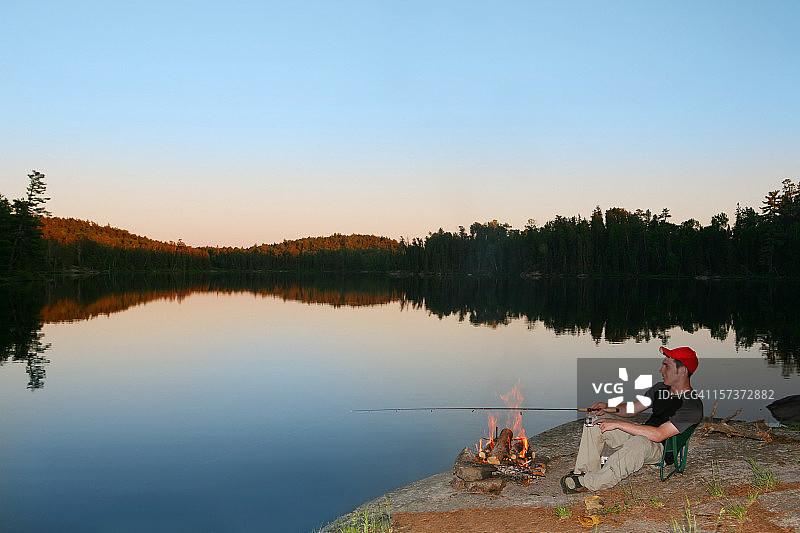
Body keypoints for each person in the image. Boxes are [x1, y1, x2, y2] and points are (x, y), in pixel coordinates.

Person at [561, 346, 704, 493]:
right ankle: (584, 471)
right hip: (643, 435)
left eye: (666, 366)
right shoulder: (659, 389)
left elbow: (659, 435)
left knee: (640, 442)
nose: (661, 370)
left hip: (661, 449)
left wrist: (618, 424)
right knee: (597, 419)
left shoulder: (692, 406)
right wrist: (607, 407)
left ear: (682, 370)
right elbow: (633, 409)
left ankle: (589, 483)